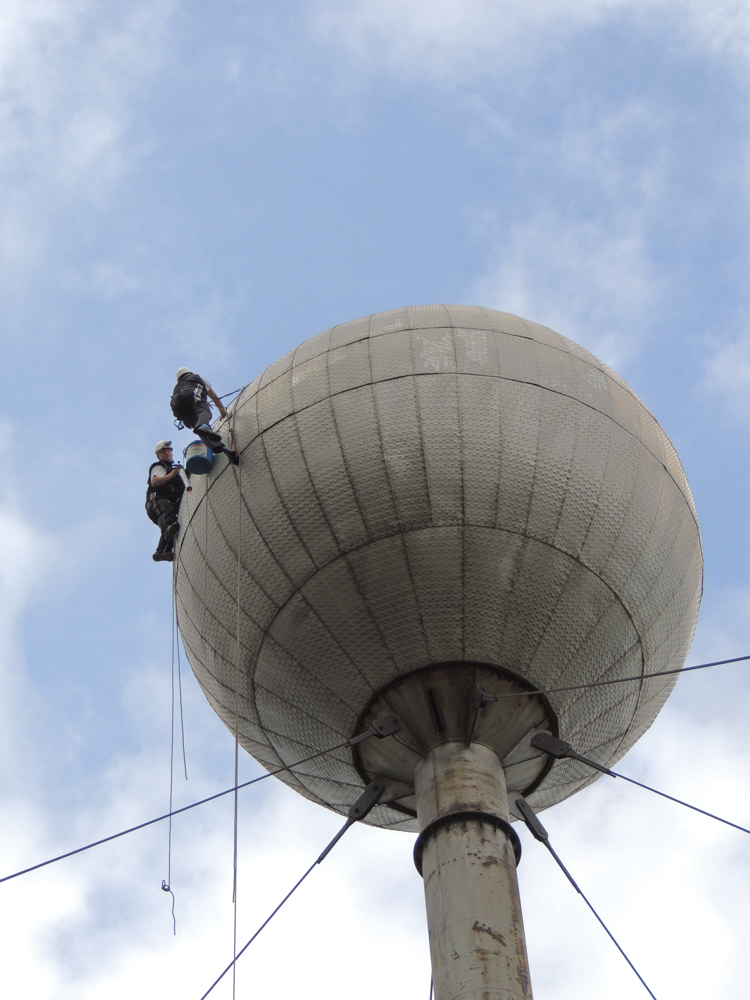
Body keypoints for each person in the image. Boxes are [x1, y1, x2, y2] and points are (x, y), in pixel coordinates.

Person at [170, 368, 240, 465]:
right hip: (189, 392)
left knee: (201, 430)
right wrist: (223, 412)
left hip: (177, 404)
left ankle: (224, 449)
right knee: (202, 410)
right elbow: (214, 397)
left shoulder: (177, 387)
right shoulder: (197, 378)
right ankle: (203, 425)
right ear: (190, 372)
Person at [146, 440, 187, 562]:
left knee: (173, 526)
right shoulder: (159, 467)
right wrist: (172, 475)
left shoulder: (177, 475)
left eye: (169, 450)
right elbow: (155, 481)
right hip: (158, 501)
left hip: (170, 507)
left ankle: (163, 551)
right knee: (167, 514)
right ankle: (168, 529)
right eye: (164, 451)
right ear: (158, 455)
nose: (167, 453)